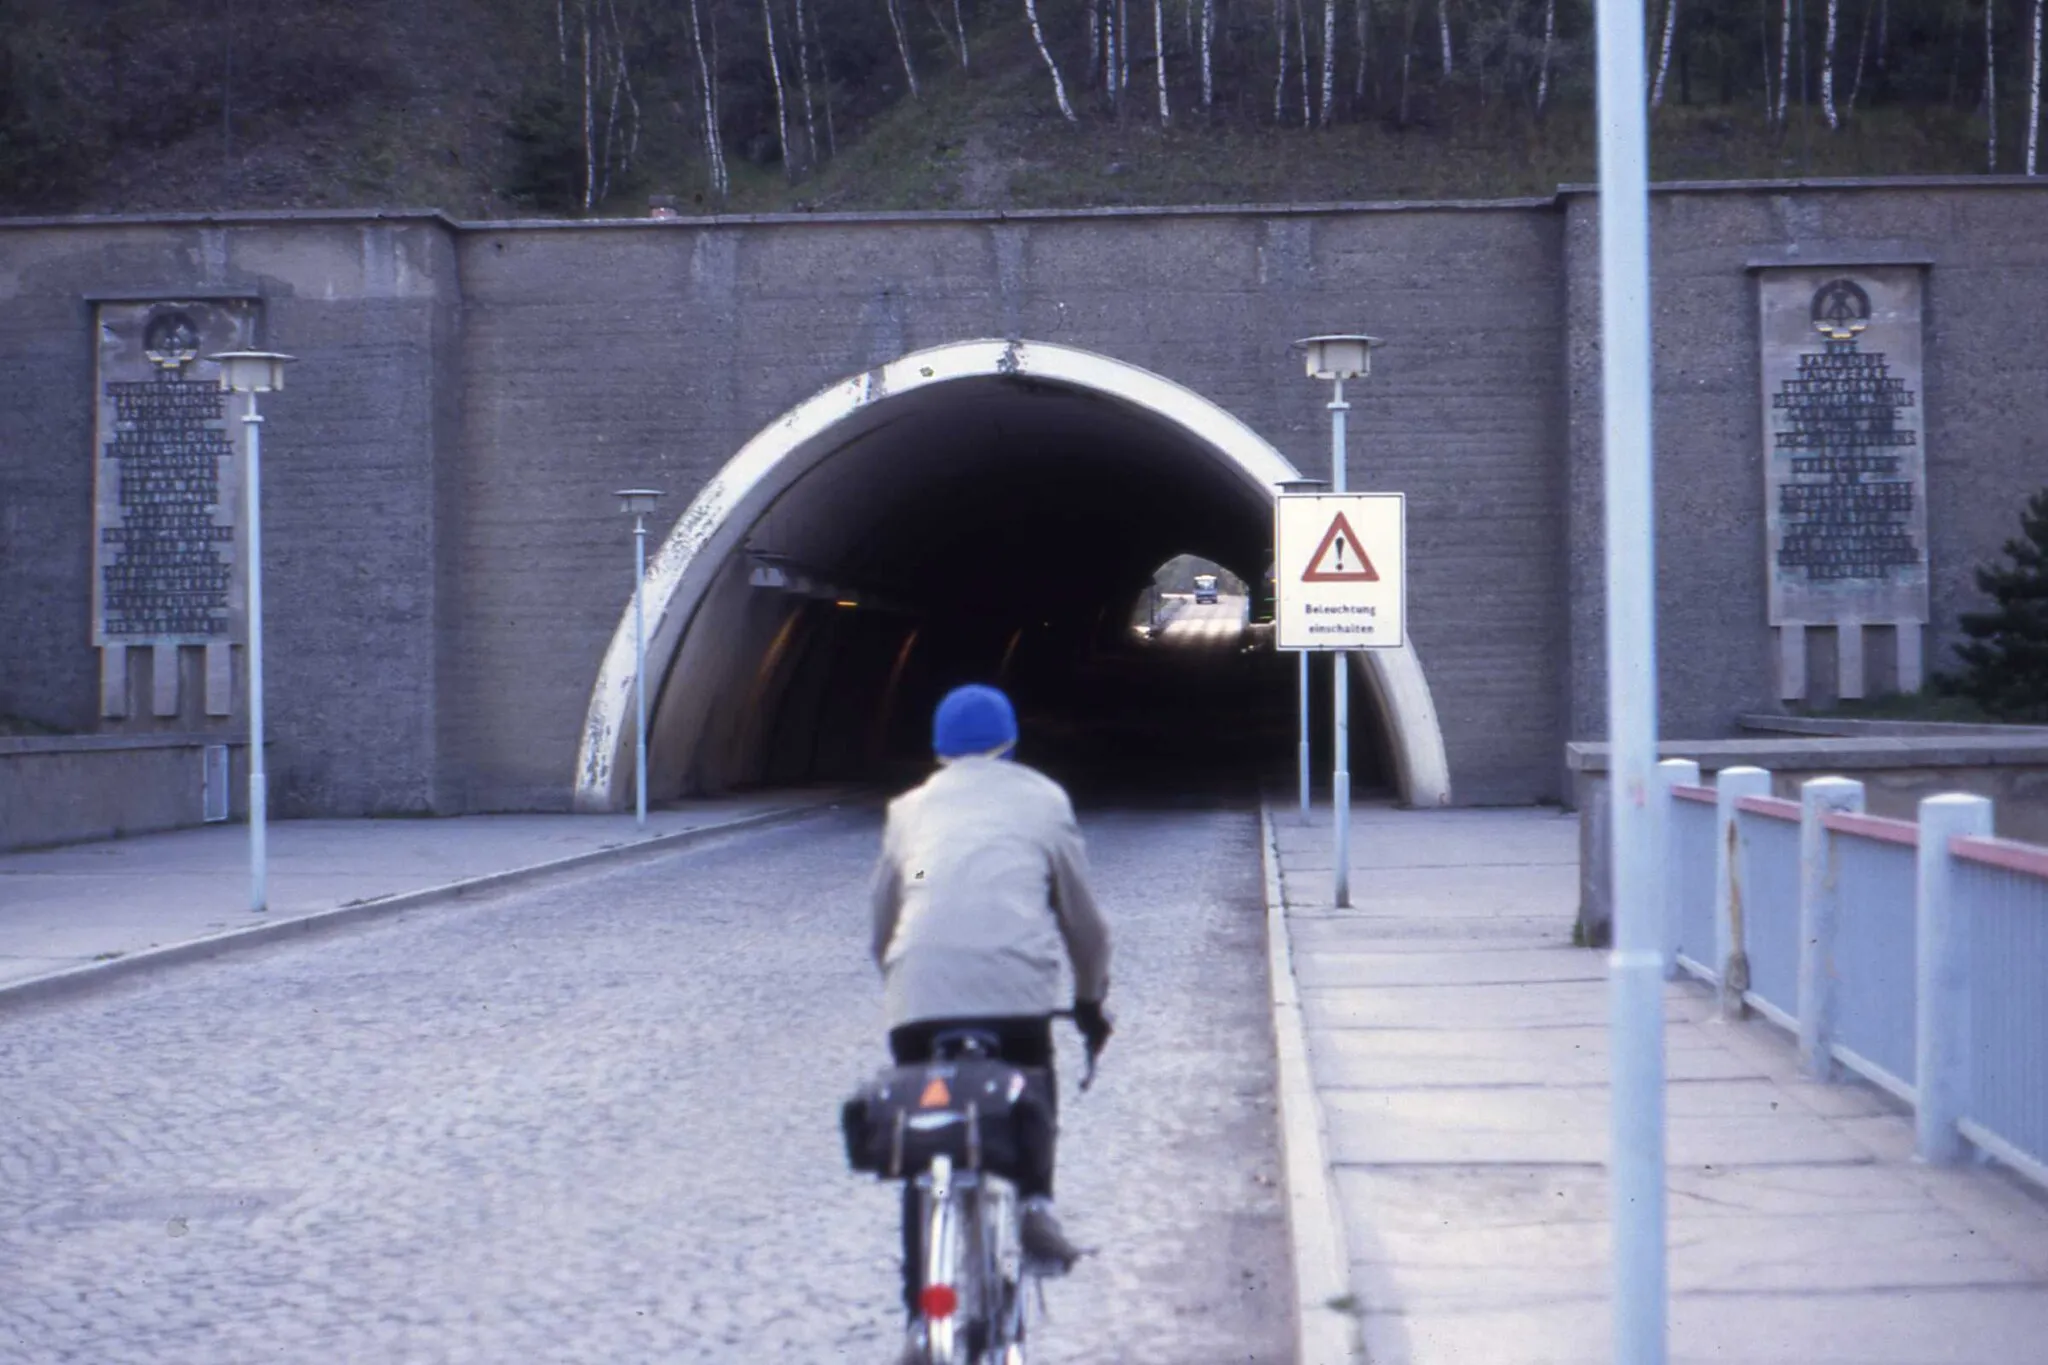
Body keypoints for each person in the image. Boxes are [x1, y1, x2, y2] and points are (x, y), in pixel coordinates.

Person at [869, 682, 1114, 1334]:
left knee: (926, 1144)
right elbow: (1085, 926)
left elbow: (883, 922)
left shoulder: (908, 809)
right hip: (1015, 999)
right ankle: (1035, 1200)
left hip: (918, 999)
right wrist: (1089, 1001)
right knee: (1034, 1079)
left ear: (940, 749)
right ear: (1010, 742)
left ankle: (923, 1319)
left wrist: (900, 985)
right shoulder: (1042, 800)